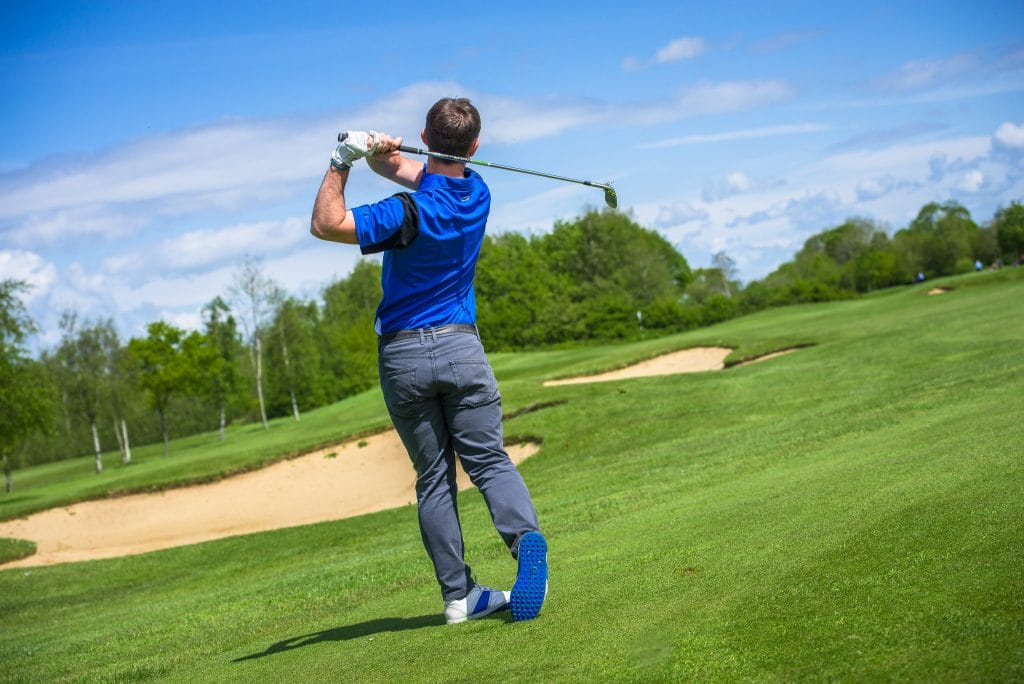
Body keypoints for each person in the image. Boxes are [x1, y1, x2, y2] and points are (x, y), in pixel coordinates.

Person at [310, 97, 548, 624]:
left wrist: (341, 160)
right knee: (488, 459)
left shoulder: (404, 212)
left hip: (404, 356)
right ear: (475, 147)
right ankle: (525, 540)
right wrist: (381, 153)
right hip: (463, 349)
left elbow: (327, 224)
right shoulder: (478, 193)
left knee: (434, 477)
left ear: (425, 132)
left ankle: (459, 596)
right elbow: (414, 170)